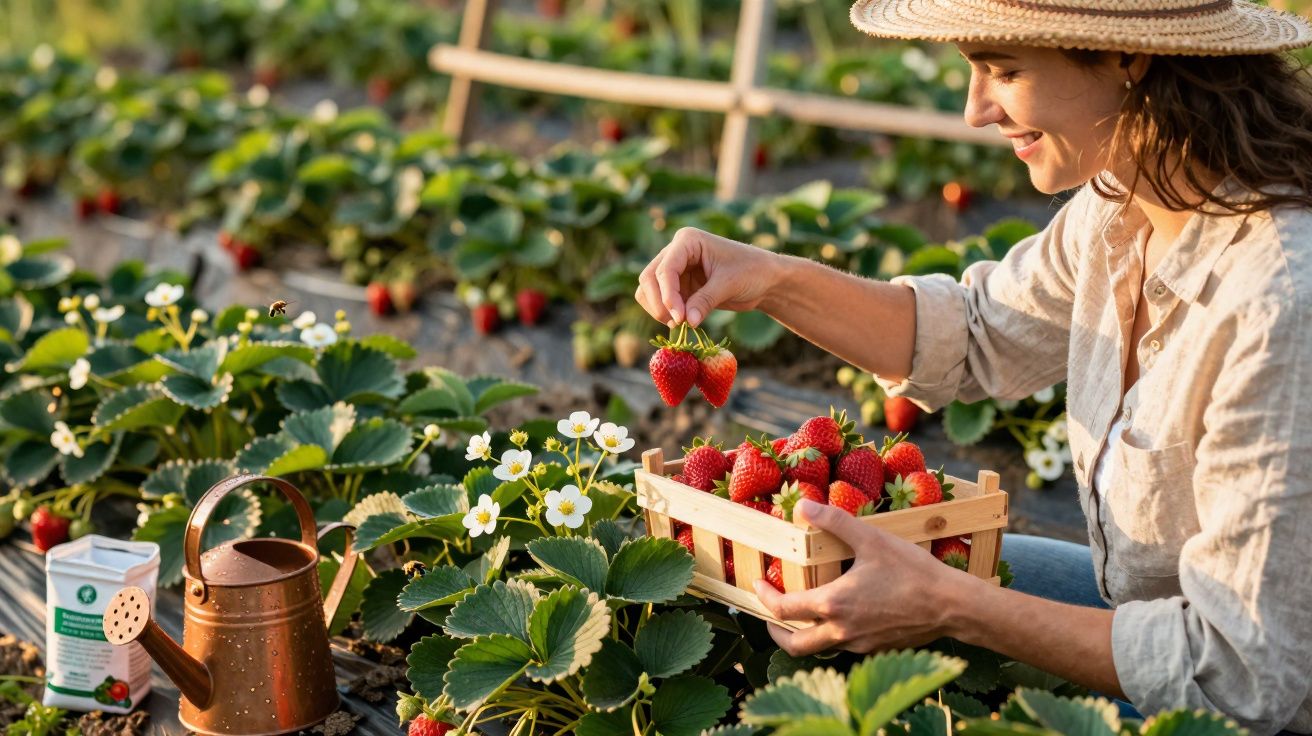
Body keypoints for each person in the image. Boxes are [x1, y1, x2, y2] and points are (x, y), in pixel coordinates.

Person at [634, 1, 1312, 733]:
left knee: (944, 592)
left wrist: (951, 604)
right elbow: (978, 334)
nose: (973, 111)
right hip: (1146, 616)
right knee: (883, 578)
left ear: (1130, 59)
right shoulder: (1123, 206)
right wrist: (769, 278)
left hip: (1253, 699)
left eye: (1004, 71)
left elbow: (1243, 669)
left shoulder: (1278, 302)